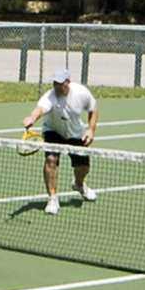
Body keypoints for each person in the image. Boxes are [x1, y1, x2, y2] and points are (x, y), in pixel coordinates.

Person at [22, 66, 101, 215]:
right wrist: (32, 118)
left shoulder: (81, 93)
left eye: (60, 83)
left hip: (75, 133)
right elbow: (40, 109)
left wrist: (91, 130)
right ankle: (52, 198)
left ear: (68, 82)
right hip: (53, 131)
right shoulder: (50, 96)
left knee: (83, 167)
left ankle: (79, 184)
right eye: (55, 83)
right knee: (51, 160)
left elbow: (93, 109)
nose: (57, 86)